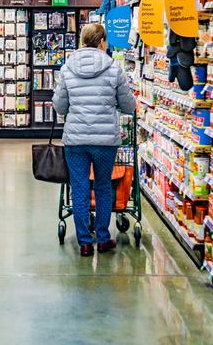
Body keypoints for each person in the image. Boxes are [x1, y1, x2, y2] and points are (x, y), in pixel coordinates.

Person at [53, 23, 137, 257]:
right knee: (102, 187)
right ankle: (103, 238)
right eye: (106, 41)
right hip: (105, 141)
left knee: (79, 188)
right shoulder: (114, 69)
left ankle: (84, 242)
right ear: (101, 42)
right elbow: (129, 105)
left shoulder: (67, 68)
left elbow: (59, 105)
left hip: (76, 141)